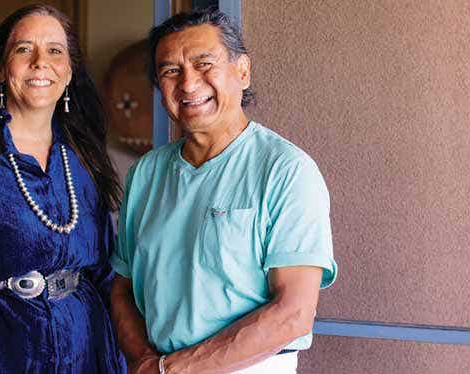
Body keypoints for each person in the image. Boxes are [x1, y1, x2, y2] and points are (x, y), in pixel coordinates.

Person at [110, 8, 338, 374]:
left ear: (242, 71)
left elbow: (293, 312)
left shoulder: (286, 171)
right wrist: (145, 362)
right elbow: (122, 287)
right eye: (171, 71)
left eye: (204, 64)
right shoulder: (146, 174)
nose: (187, 84)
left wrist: (175, 370)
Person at [0, 5, 126, 373]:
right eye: (24, 49)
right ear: (2, 70)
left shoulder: (85, 160)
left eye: (55, 51)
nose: (41, 62)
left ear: (68, 73)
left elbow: (104, 274)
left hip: (86, 350)